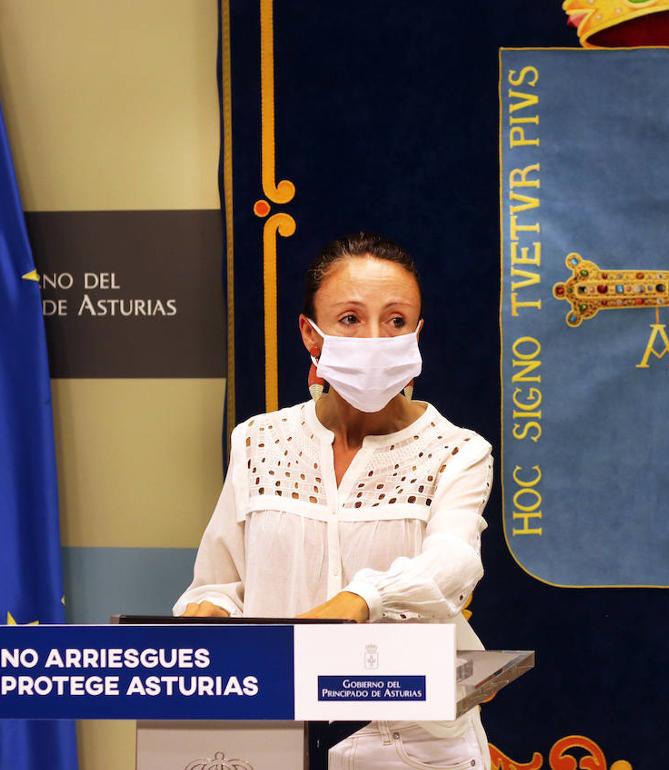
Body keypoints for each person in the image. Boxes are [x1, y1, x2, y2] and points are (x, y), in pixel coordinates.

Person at [174, 231, 493, 770]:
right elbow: (221, 579)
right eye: (350, 319)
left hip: (414, 750)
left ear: (417, 335)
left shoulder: (458, 451)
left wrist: (362, 598)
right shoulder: (257, 441)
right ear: (310, 334)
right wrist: (210, 617)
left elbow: (455, 562)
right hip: (279, 740)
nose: (375, 338)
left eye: (395, 321)